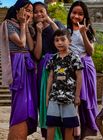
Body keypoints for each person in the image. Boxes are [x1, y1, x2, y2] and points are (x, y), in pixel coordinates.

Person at [0, 0, 38, 139]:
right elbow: (21, 43)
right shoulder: (8, 24)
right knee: (21, 101)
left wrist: (26, 26)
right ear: (17, 11)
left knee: (29, 100)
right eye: (26, 10)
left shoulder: (27, 26)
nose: (29, 13)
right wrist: (23, 24)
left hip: (28, 64)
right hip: (17, 64)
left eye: (31, 11)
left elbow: (31, 47)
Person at [33, 2, 65, 139]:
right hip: (43, 68)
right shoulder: (34, 29)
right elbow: (37, 55)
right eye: (36, 12)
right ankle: (48, 135)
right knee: (45, 101)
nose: (39, 14)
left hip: (59, 65)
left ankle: (63, 133)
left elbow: (63, 39)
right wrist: (39, 33)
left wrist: (50, 21)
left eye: (42, 11)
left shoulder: (55, 23)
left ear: (46, 11)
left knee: (60, 98)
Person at [67, 1, 98, 139]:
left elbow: (91, 51)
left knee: (86, 102)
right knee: (73, 101)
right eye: (74, 13)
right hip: (71, 69)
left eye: (80, 14)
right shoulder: (66, 31)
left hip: (86, 66)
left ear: (84, 16)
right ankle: (74, 133)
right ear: (70, 14)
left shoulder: (88, 30)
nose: (76, 16)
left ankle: (84, 133)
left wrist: (84, 33)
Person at [46, 29, 83, 140]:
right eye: (56, 40)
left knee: (69, 126)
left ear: (69, 41)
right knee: (51, 124)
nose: (59, 42)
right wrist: (47, 95)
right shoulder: (53, 58)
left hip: (69, 98)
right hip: (54, 97)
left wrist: (77, 96)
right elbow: (50, 77)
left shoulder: (74, 58)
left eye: (63, 39)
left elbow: (79, 77)